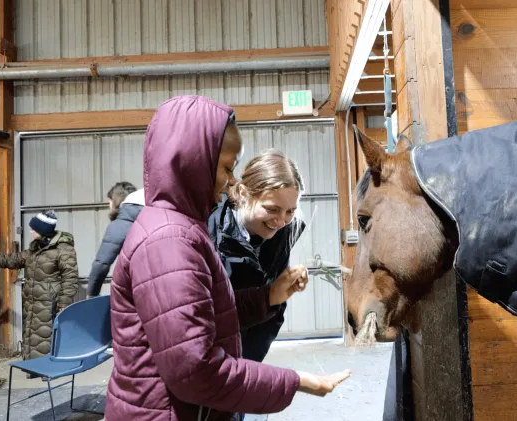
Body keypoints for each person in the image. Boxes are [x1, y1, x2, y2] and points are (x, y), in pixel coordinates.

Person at [105, 95, 350, 421]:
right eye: (225, 167)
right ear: (191, 162)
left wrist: (269, 296)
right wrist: (296, 382)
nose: (232, 180)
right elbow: (196, 371)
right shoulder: (169, 242)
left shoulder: (181, 229)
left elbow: (205, 318)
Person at [208, 150, 307, 366]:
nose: (281, 221)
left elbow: (276, 310)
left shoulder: (282, 235)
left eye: (290, 211)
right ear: (243, 193)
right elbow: (202, 314)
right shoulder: (208, 231)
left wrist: (249, 363)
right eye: (272, 209)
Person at [0, 210, 79, 361]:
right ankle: (33, 367)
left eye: (34, 229)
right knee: (33, 335)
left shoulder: (63, 250)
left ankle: (46, 368)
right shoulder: (35, 250)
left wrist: (63, 303)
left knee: (46, 336)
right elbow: (12, 259)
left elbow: (70, 278)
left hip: (50, 303)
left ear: (43, 231)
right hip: (32, 302)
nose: (30, 231)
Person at [86, 181, 143, 298]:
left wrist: (92, 293)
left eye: (109, 202)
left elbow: (101, 264)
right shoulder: (154, 215)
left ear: (115, 201)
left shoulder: (120, 224)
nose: (109, 206)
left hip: (135, 291)